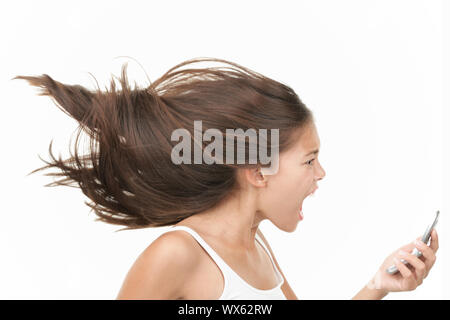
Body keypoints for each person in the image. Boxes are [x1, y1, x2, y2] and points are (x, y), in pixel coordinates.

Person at [14, 57, 439, 300]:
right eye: (309, 160)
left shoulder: (258, 246)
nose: (321, 173)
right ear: (258, 170)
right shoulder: (176, 254)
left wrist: (379, 286)